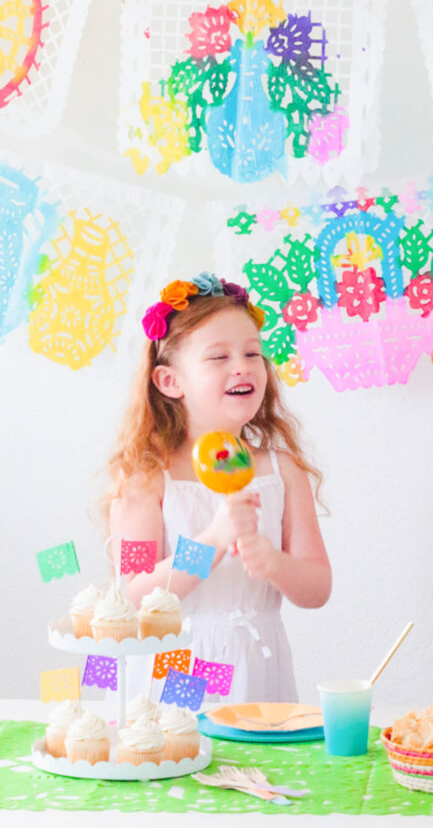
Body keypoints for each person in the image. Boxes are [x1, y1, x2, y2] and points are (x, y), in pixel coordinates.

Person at [102, 273, 331, 702]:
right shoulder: (147, 478)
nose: (242, 366)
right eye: (218, 357)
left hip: (258, 670)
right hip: (176, 669)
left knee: (258, 769)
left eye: (252, 353)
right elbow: (134, 593)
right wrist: (213, 539)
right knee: (188, 758)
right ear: (171, 382)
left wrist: (275, 563)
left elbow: (317, 587)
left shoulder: (283, 471)